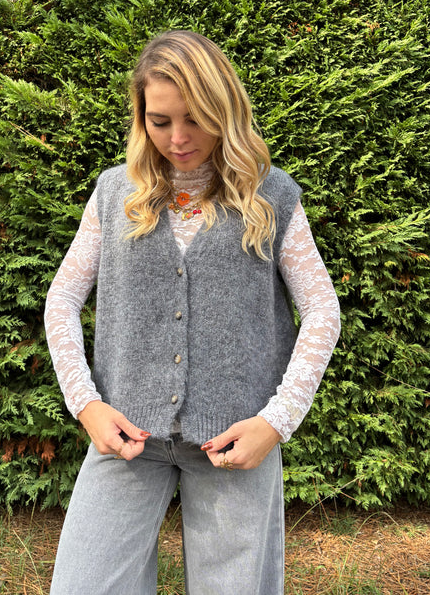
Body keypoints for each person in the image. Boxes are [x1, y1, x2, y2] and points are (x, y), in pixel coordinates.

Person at [45, 30, 340, 594]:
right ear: (141, 117)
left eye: (196, 119)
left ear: (224, 110)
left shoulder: (272, 197)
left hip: (235, 442)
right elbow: (61, 300)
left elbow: (322, 309)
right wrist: (86, 405)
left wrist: (276, 422)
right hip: (127, 438)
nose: (178, 138)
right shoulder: (114, 193)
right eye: (159, 121)